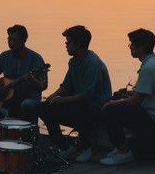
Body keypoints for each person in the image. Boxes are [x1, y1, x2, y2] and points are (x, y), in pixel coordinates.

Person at [100, 28, 155, 166]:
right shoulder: (152, 63)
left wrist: (112, 104)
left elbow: (136, 101)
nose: (130, 48)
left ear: (142, 47)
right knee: (116, 103)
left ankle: (124, 152)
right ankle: (120, 147)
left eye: (132, 44)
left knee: (109, 110)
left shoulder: (148, 68)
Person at [37, 25, 112, 163]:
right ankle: (63, 146)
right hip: (80, 102)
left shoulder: (93, 63)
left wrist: (62, 101)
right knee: (43, 108)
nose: (66, 45)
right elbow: (66, 87)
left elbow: (87, 95)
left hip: (97, 107)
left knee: (82, 109)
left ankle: (85, 147)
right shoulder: (73, 62)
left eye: (68, 42)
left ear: (78, 45)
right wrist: (51, 98)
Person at [0, 24, 48, 123]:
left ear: (24, 40)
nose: (11, 43)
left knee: (26, 105)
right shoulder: (4, 56)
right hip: (8, 99)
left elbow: (43, 86)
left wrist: (31, 79)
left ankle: (30, 132)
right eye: (9, 40)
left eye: (14, 40)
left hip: (29, 97)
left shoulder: (36, 59)